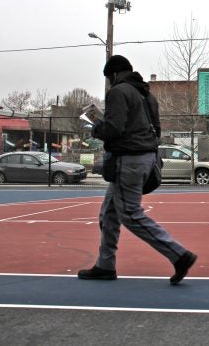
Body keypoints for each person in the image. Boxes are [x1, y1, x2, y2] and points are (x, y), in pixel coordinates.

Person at [78, 55, 197, 285]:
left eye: (108, 79)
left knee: (131, 214)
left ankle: (179, 255)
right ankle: (105, 264)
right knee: (109, 214)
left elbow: (114, 129)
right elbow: (156, 130)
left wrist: (95, 127)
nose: (109, 84)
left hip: (128, 159)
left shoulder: (118, 92)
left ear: (113, 74)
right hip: (147, 158)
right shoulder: (147, 95)